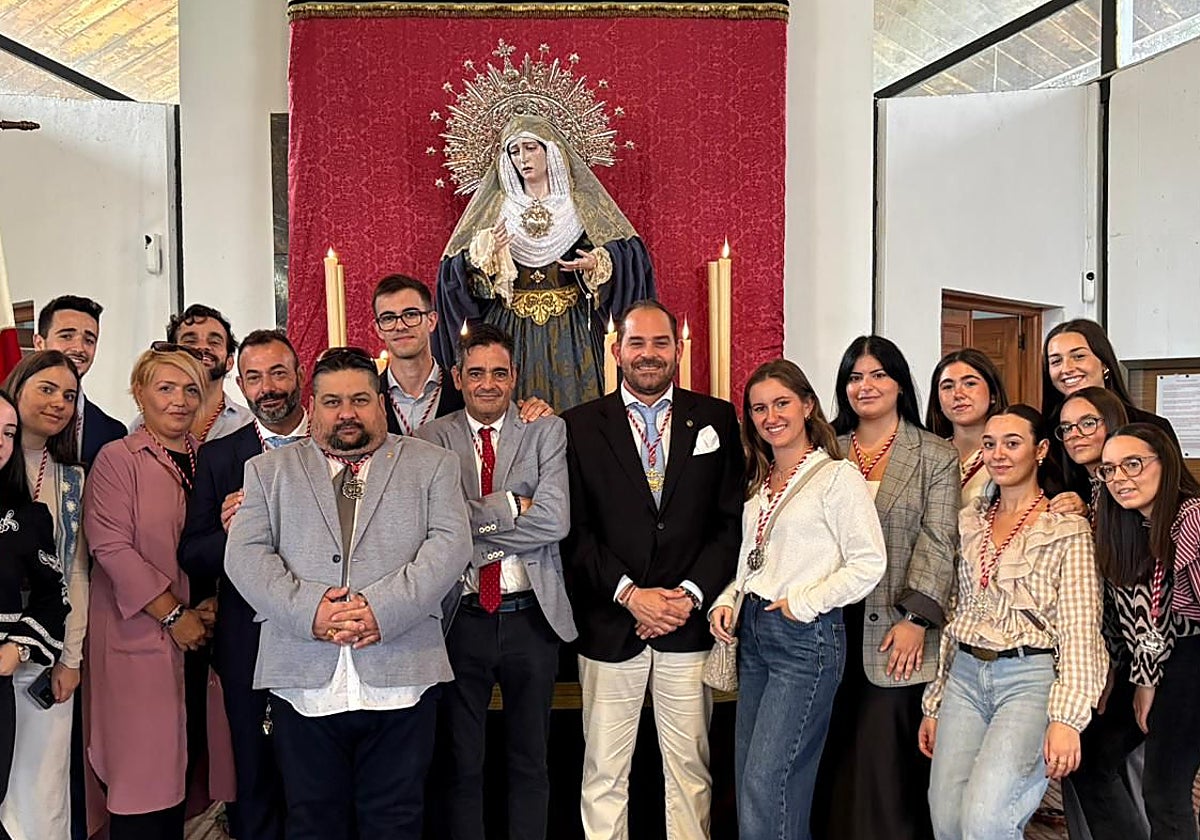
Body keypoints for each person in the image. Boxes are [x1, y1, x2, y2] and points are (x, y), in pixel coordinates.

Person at [225, 346, 471, 840]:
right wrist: (310, 611)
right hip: (303, 680)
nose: (347, 413)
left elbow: (451, 545)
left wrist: (382, 609)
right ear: (312, 405)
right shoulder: (268, 471)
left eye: (360, 400)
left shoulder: (433, 465)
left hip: (402, 675)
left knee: (396, 821)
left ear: (380, 403)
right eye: (332, 401)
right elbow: (244, 556)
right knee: (313, 822)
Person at [562, 300, 744, 840]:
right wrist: (629, 594)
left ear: (677, 350)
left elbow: (729, 524)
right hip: (609, 623)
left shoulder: (715, 418)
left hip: (687, 628)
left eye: (660, 343)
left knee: (690, 773)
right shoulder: (579, 425)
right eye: (636, 343)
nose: (648, 354)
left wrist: (687, 595)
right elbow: (574, 532)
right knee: (603, 774)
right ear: (617, 351)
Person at [708, 359, 885, 840]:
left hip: (805, 639)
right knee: (750, 778)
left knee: (770, 783)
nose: (771, 417)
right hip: (754, 635)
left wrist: (803, 603)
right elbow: (752, 560)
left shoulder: (837, 478)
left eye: (782, 403)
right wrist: (727, 598)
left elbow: (869, 562)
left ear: (807, 406)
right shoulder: (759, 482)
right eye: (759, 408)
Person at [416, 324, 577, 840]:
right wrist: (510, 505)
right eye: (477, 373)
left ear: (514, 377)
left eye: (499, 373)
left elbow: (555, 521)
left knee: (531, 760)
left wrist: (472, 535)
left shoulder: (545, 431)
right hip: (461, 621)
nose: (488, 384)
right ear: (457, 378)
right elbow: (434, 527)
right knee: (462, 763)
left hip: (531, 618)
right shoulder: (430, 439)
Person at [918, 405, 1104, 839]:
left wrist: (1067, 718)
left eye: (1012, 443)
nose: (998, 454)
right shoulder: (970, 521)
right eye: (989, 444)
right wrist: (935, 700)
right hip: (964, 676)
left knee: (986, 821)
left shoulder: (1066, 528)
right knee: (947, 820)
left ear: (1040, 450)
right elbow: (954, 611)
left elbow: (1080, 629)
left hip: (1029, 679)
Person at [813, 335, 959, 840]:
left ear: (899, 384)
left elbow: (940, 540)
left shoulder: (934, 454)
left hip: (896, 627)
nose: (866, 386)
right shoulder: (825, 449)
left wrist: (916, 620)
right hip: (828, 624)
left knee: (884, 764)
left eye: (878, 375)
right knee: (830, 755)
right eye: (855, 377)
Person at [83, 346, 225, 839]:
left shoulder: (204, 458)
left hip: (198, 639)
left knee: (183, 775)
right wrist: (174, 615)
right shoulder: (118, 458)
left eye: (190, 390)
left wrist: (211, 603)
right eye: (166, 388)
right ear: (139, 393)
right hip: (140, 638)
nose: (179, 401)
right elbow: (111, 547)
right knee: (141, 785)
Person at [435, 114, 656, 411]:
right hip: (510, 327)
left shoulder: (578, 205)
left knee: (578, 410)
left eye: (531, 148)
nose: (523, 158)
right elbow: (457, 276)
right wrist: (485, 256)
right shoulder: (498, 209)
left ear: (551, 150)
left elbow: (628, 257)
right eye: (515, 151)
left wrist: (599, 262)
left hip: (572, 330)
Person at [179, 329, 306, 840]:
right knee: (252, 771)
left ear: (299, 375)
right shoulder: (219, 456)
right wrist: (230, 532)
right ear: (241, 384)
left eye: (278, 373)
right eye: (254, 377)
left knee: (314, 775)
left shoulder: (331, 439)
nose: (267, 387)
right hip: (247, 640)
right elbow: (193, 552)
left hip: (320, 634)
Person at [1092, 423, 1200, 840]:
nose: (1120, 478)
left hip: (1189, 657)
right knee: (1092, 756)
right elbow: (1130, 617)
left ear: (1166, 462)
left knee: (1165, 791)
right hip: (1152, 661)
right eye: (1109, 470)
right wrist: (1123, 671)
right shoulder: (1126, 524)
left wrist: (1147, 679)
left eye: (1133, 464)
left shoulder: (1191, 518)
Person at [1053, 389, 1151, 840]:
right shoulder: (1087, 492)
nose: (1076, 434)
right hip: (1117, 655)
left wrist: (1143, 678)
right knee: (1089, 761)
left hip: (1157, 656)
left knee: (1100, 762)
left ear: (1111, 421)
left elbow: (1145, 597)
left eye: (1088, 423)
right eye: (1067, 427)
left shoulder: (1132, 494)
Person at [0, 352, 89, 839]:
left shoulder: (71, 478)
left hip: (40, 655)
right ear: (17, 388)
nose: (59, 402)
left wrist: (70, 656)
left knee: (41, 794)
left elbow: (74, 573)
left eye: (69, 395)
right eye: (47, 389)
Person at [0, 389, 70, 816]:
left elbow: (53, 596)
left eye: (9, 433)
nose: (0, 443)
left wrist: (17, 648)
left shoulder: (26, 517)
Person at [373, 274, 551, 435]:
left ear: (432, 321)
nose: (400, 326)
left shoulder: (470, 388)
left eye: (411, 314)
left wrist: (532, 410)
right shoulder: (368, 396)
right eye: (388, 318)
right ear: (378, 329)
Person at [132, 304, 253, 442]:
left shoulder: (249, 425)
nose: (202, 347)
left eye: (214, 342)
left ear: (229, 362)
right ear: (171, 355)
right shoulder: (143, 425)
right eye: (190, 341)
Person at [33, 295, 126, 468]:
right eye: (66, 336)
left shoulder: (114, 434)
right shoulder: (9, 416)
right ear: (39, 343)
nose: (79, 348)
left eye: (89, 340)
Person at [925, 349, 1009, 507]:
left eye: (970, 384)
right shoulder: (928, 454)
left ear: (993, 394)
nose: (958, 394)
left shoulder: (1010, 453)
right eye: (947, 387)